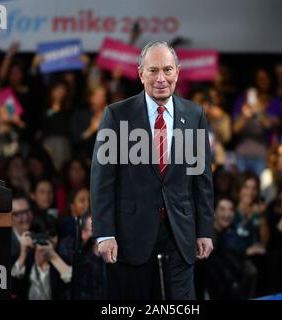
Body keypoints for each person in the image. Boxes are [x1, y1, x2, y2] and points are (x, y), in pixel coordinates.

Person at [90, 41, 214, 300]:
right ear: (140, 73)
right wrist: (104, 233)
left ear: (178, 72)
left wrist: (205, 230)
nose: (161, 79)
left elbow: (202, 180)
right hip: (130, 236)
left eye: (167, 70)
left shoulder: (194, 115)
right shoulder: (116, 115)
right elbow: (102, 180)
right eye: (153, 70)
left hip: (180, 234)